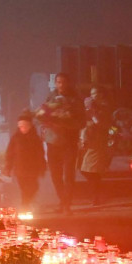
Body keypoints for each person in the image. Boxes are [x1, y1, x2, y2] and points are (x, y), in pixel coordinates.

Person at [35, 73, 85, 213]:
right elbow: (43, 114)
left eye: (63, 82)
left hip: (69, 141)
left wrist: (66, 122)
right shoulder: (51, 97)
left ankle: (67, 204)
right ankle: (62, 200)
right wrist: (47, 121)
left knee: (68, 175)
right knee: (55, 175)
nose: (61, 85)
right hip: (53, 141)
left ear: (68, 83)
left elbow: (81, 121)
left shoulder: (76, 99)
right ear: (55, 83)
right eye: (58, 82)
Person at [3, 110, 47, 211]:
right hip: (20, 169)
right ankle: (25, 205)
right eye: (20, 127)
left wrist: (42, 166)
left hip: (32, 169)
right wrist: (8, 167)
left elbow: (40, 153)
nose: (22, 129)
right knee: (24, 189)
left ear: (30, 126)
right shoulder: (16, 138)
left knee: (33, 187)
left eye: (24, 126)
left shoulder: (35, 138)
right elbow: (10, 154)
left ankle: (26, 204)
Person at [79, 87, 113, 206]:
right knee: (88, 170)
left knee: (92, 171)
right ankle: (97, 195)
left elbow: (103, 124)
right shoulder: (91, 107)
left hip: (99, 142)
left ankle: (96, 197)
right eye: (92, 93)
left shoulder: (104, 107)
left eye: (96, 93)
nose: (94, 96)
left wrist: (94, 115)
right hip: (90, 141)